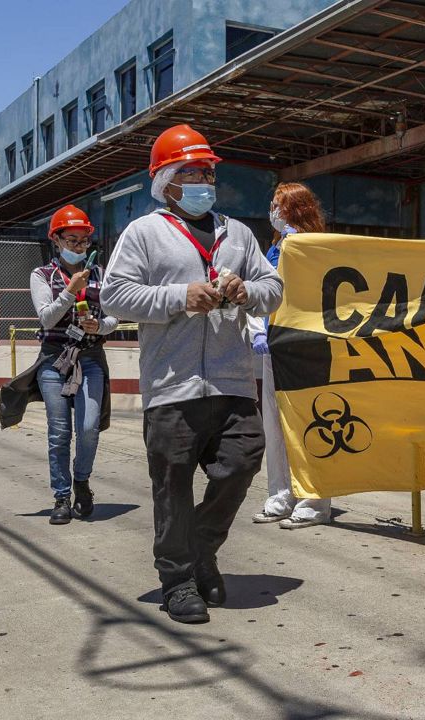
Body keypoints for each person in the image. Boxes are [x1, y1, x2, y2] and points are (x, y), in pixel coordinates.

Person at [100, 124, 282, 624]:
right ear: (167, 180)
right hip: (171, 384)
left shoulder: (238, 234)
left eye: (207, 171)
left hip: (232, 379)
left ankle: (201, 549)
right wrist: (179, 297)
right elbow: (114, 296)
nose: (204, 179)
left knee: (244, 460)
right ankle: (177, 580)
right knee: (172, 486)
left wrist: (247, 291)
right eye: (193, 171)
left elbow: (274, 288)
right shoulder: (143, 233)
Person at [250, 183, 333, 529]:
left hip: (306, 347)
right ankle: (281, 494)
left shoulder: (316, 247)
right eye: (272, 204)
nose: (273, 210)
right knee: (275, 426)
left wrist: (297, 245)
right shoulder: (274, 249)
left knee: (310, 424)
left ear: (296, 209)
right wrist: (257, 329)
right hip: (274, 347)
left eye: (279, 205)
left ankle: (315, 501)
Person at [30, 204, 118, 525]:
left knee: (88, 426)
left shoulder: (100, 273)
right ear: (56, 240)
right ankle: (61, 496)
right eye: (72, 240)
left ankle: (82, 481)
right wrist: (69, 291)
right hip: (55, 360)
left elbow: (112, 317)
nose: (79, 247)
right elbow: (46, 316)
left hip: (90, 357)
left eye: (83, 242)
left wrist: (100, 326)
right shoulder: (42, 275)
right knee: (59, 432)